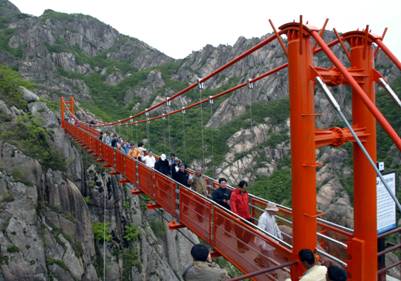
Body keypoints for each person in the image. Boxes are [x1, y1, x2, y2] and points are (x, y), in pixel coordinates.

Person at [254, 202, 283, 268]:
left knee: (266, 253)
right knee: (268, 255)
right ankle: (270, 269)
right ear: (269, 210)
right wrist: (262, 242)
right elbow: (260, 230)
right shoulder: (263, 218)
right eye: (274, 210)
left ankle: (259, 260)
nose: (275, 212)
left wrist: (279, 234)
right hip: (266, 240)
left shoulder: (272, 216)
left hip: (271, 238)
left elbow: (275, 226)